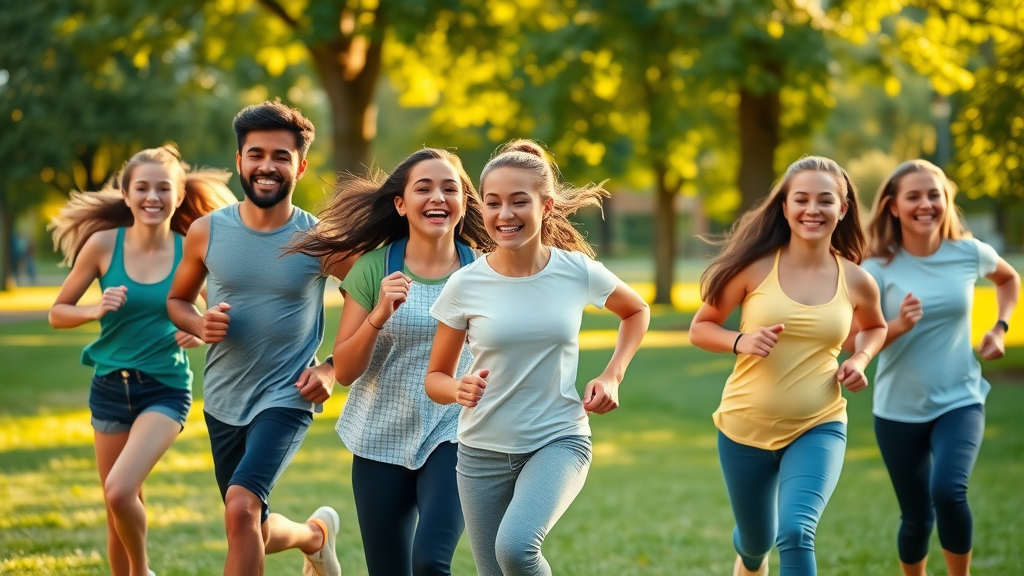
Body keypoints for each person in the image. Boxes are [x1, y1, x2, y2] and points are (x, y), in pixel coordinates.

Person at [425, 140, 650, 576]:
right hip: (480, 451)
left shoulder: (576, 271)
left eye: (518, 201)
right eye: (493, 203)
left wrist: (612, 375)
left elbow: (636, 311)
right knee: (494, 571)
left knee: (516, 548)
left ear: (546, 206)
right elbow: (436, 377)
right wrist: (457, 388)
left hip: (557, 439)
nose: (504, 214)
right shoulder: (465, 284)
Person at [166, 100, 353, 576]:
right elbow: (178, 302)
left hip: (286, 395)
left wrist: (331, 367)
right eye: (256, 154)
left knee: (241, 507)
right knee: (248, 524)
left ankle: (313, 536)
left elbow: (368, 301)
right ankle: (315, 536)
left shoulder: (318, 239)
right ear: (240, 162)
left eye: (280, 156)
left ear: (301, 165)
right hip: (224, 397)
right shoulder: (207, 232)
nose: (267, 166)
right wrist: (198, 324)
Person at [289, 148, 493, 576]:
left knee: (431, 561)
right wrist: (378, 315)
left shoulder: (485, 271)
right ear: (400, 204)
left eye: (449, 188)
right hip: (379, 432)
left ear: (462, 205)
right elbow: (344, 371)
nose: (437, 197)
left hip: (456, 430)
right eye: (424, 188)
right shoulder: (373, 269)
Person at [688, 156, 887, 576]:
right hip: (744, 427)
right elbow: (701, 329)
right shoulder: (754, 268)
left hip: (819, 424)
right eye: (801, 199)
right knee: (758, 541)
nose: (812, 209)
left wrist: (861, 357)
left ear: (844, 208)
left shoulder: (856, 280)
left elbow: (874, 327)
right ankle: (748, 553)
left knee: (796, 532)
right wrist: (740, 340)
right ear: (784, 206)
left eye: (825, 200)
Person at [48, 144, 236, 576]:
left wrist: (199, 327)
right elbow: (58, 313)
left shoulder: (190, 248)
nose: (152, 197)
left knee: (118, 492)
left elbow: (222, 311)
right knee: (119, 510)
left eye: (163, 188)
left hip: (164, 389)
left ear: (179, 194)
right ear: (127, 194)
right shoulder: (101, 245)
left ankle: (142, 571)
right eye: (142, 188)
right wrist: (93, 310)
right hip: (110, 387)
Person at [858, 160, 1020, 576]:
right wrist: (898, 325)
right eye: (914, 196)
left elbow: (1009, 279)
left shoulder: (968, 253)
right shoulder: (875, 269)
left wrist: (999, 329)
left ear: (946, 200)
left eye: (935, 194)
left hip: (960, 399)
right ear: (893, 207)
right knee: (915, 517)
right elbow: (851, 342)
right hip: (897, 409)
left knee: (948, 491)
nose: (926, 204)